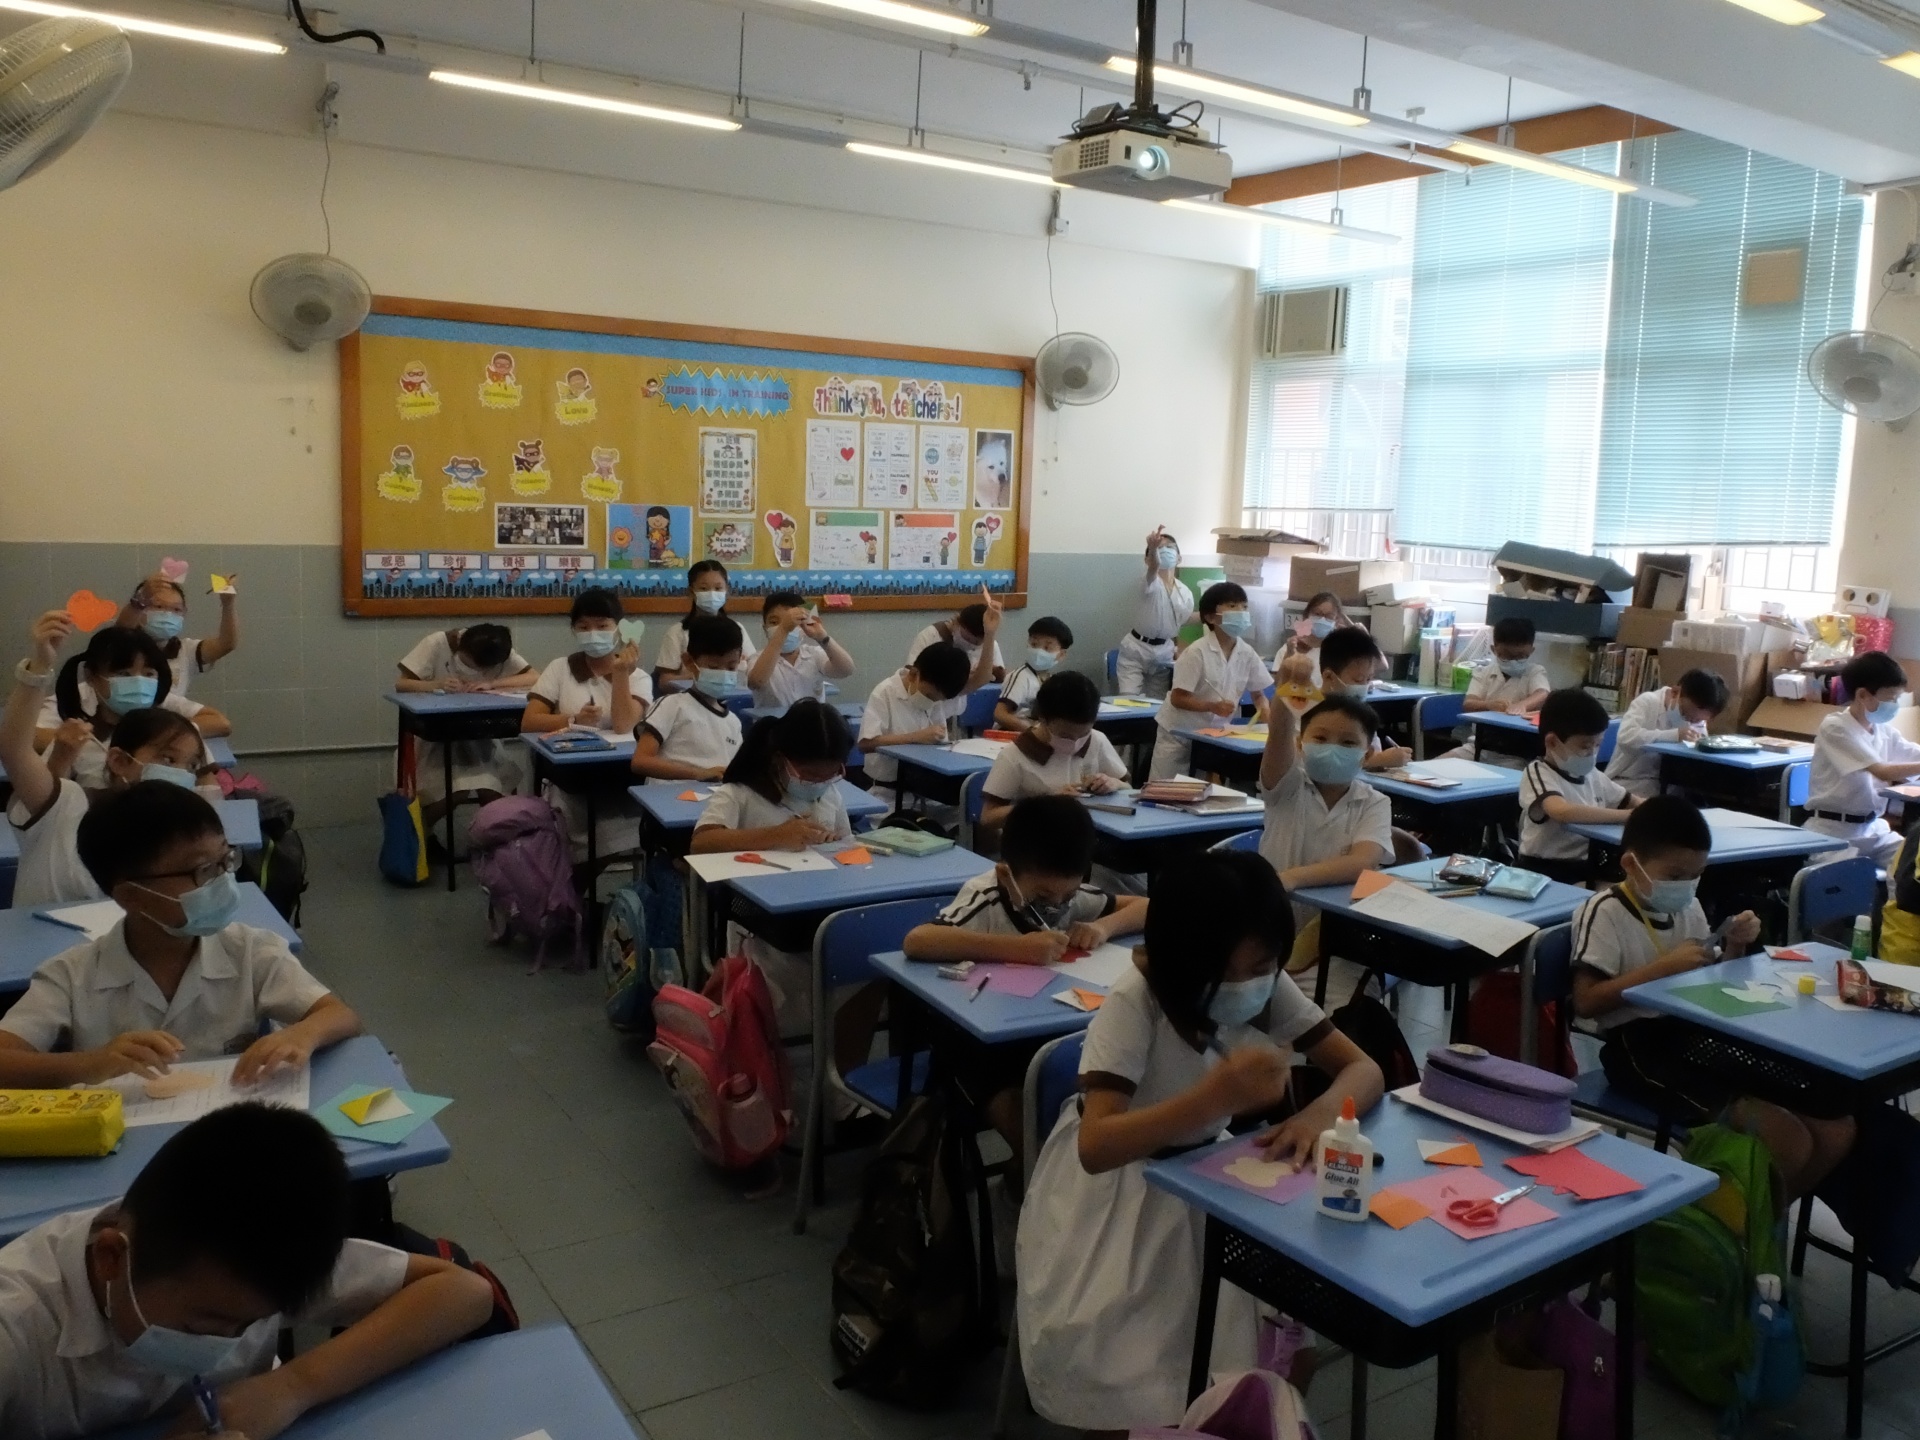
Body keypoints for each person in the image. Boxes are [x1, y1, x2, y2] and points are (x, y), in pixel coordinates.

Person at [1015, 850, 1384, 1433]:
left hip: (1209, 1180)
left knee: (1277, 1348)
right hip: (1120, 1196)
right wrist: (1213, 1099)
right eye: (1242, 968)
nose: (1257, 981)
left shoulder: (1261, 982)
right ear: (1189, 960)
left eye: (1267, 964)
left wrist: (1316, 1117)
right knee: (1136, 1372)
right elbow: (1096, 1145)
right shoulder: (1136, 1001)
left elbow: (1363, 1069)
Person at [0, 1104, 496, 1440]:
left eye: (252, 1324)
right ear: (111, 1258)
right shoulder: (16, 1324)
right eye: (202, 1324)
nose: (224, 1344)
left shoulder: (257, 1253)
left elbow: (463, 1291)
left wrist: (292, 1387)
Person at [1571, 795, 1853, 1200]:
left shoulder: (1688, 907)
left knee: (1836, 1129)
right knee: (1787, 1139)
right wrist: (1662, 969)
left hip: (1695, 1035)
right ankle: (1740, 1228)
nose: (1686, 885)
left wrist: (1735, 946)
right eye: (1675, 874)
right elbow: (1585, 1002)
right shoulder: (1603, 911)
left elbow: (1711, 983)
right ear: (1631, 863)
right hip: (1638, 1049)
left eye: (1696, 875)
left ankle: (1754, 1222)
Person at [0, 781, 360, 1087]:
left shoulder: (251, 950)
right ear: (131, 896)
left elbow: (340, 1014)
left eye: (225, 860)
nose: (222, 881)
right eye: (203, 871)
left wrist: (302, 1034)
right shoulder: (71, 975)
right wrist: (89, 1064)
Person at [903, 795, 1146, 1161]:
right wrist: (1017, 948)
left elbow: (1146, 907)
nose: (1057, 904)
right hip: (977, 1045)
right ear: (1006, 874)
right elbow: (917, 940)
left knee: (1092, 1077)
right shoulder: (985, 895)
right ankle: (1033, 1168)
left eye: (1069, 893)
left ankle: (1034, 1169)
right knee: (1020, 1115)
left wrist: (1102, 927)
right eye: (1043, 895)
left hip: (1041, 1031)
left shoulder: (1069, 895)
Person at [692, 702, 867, 1063]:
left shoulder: (830, 795)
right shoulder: (740, 794)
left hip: (819, 913)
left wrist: (838, 846)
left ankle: (842, 1080)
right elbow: (702, 842)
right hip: (761, 927)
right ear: (779, 760)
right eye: (810, 776)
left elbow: (847, 848)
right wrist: (776, 835)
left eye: (830, 775)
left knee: (868, 971)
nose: (819, 785)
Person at [3, 611, 215, 907]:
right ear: (118, 761)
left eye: (190, 766)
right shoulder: (68, 805)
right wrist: (40, 665)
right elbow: (14, 748)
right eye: (167, 760)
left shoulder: (169, 832)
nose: (181, 773)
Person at [1258, 695, 1393, 946]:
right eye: (1320, 738)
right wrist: (1287, 688)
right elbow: (1278, 732)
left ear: (1367, 755)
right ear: (1299, 744)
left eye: (1348, 742)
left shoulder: (1374, 802)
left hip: (1336, 930)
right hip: (1272, 925)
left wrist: (1291, 878)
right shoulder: (1287, 786)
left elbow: (1363, 862)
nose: (1332, 749)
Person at [40, 626, 229, 788]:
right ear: (91, 676)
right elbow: (48, 802)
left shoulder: (180, 731)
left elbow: (208, 790)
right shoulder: (76, 741)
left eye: (149, 674)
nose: (138, 682)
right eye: (123, 674)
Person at [394, 624, 537, 821]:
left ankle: (496, 836)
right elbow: (401, 684)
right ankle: (420, 835)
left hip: (479, 737)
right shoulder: (437, 643)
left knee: (493, 790)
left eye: (483, 669)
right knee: (455, 792)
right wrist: (435, 684)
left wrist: (492, 684)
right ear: (461, 644)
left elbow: (534, 677)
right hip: (435, 738)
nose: (474, 671)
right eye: (468, 663)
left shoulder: (496, 647)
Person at [1803, 650, 1920, 869]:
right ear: (1863, 695)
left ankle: (1895, 894)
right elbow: (1882, 771)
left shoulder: (1883, 730)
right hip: (1832, 832)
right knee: (1853, 877)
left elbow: (1913, 754)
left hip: (1873, 829)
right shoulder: (1836, 727)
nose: (1895, 704)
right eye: (1891, 698)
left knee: (1912, 864)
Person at [980, 671, 1129, 833]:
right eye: (1065, 735)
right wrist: (1046, 803)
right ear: (1042, 719)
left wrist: (1113, 784)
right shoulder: (1015, 755)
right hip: (1035, 842)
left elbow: (1128, 787)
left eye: (1084, 734)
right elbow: (988, 818)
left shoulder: (1097, 740)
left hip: (1088, 835)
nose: (1075, 742)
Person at [1150, 581, 1271, 781]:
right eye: (1232, 606)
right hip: (1179, 732)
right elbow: (1178, 698)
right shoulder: (1196, 652)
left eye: (1244, 606)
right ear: (1210, 617)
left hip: (1213, 735)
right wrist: (1212, 706)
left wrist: (1264, 708)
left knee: (1202, 790)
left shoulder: (1247, 652)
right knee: (1167, 787)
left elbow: (1258, 694)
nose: (1241, 611)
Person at [1519, 688, 1638, 882]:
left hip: (1587, 866)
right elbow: (1561, 811)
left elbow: (1633, 801)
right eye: (1585, 746)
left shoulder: (1593, 775)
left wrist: (1657, 811)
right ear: (1552, 742)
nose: (1593, 753)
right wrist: (1628, 816)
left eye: (1597, 745)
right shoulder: (1539, 773)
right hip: (1544, 871)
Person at [631, 614, 745, 784]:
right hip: (668, 798)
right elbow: (640, 762)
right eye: (714, 667)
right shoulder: (671, 706)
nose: (723, 673)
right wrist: (699, 773)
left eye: (731, 667)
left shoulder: (733, 722)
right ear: (689, 661)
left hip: (711, 798)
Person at [520, 588, 650, 736]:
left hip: (619, 751)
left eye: (602, 626)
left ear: (619, 629)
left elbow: (622, 726)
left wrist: (621, 673)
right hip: (568, 749)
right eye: (583, 627)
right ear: (574, 630)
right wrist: (575, 720)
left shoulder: (639, 677)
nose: (592, 633)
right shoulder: (560, 667)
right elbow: (528, 722)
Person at [857, 642, 973, 804]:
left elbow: (940, 746)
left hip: (926, 792)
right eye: (929, 696)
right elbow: (865, 744)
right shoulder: (885, 692)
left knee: (965, 804)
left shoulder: (937, 699)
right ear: (913, 675)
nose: (932, 702)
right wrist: (915, 737)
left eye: (938, 700)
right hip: (887, 794)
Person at [1605, 668, 1730, 799]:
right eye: (1684, 713)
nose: (1689, 721)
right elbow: (1626, 737)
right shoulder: (1648, 702)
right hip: (1628, 781)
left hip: (1668, 786)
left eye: (1696, 720)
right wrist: (1674, 735)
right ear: (1675, 692)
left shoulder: (1698, 718)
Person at [117, 571, 238, 699]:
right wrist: (140, 599)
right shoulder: (123, 647)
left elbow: (226, 643)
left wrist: (228, 604)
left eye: (176, 609)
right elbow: (119, 633)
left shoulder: (186, 651)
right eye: (158, 606)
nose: (167, 614)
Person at [1314, 627, 1412, 771]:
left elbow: (1373, 750)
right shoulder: (1307, 710)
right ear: (1329, 677)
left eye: (1368, 679)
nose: (1364, 686)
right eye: (1358, 680)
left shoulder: (1361, 711)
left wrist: (1385, 758)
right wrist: (1378, 760)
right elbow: (1315, 761)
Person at [1115, 527, 1194, 699]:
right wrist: (1152, 548)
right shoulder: (1148, 582)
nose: (1164, 551)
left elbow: (1181, 619)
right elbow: (1153, 568)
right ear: (1147, 559)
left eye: (1170, 547)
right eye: (1159, 548)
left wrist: (1216, 616)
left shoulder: (1185, 592)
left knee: (1157, 703)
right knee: (1129, 700)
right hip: (1137, 649)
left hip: (1164, 651)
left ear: (1179, 558)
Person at [652, 560, 756, 690]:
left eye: (718, 588)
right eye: (704, 588)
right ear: (691, 591)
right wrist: (700, 676)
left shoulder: (737, 629)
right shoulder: (677, 632)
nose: (712, 593)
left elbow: (753, 668)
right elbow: (664, 681)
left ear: (726, 590)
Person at [744, 591, 854, 709]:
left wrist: (823, 638)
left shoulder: (814, 654)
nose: (785, 627)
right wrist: (782, 630)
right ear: (765, 628)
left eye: (792, 623)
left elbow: (846, 670)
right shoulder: (757, 658)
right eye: (774, 622)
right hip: (774, 721)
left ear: (803, 627)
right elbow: (756, 682)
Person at [905, 588, 1006, 691]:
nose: (969, 644)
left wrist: (990, 670)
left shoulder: (989, 643)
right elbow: (911, 674)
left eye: (975, 643)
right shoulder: (932, 636)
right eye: (967, 638)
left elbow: (996, 677)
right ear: (957, 622)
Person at [994, 616, 1074, 732]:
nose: (1039, 651)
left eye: (1047, 647)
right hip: (1011, 733)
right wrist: (1035, 731)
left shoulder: (1051, 680)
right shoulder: (1020, 676)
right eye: (1034, 644)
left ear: (1061, 655)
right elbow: (1000, 714)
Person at [1270, 590, 1354, 695]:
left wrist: (1353, 632)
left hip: (1330, 703)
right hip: (1298, 702)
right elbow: (1278, 684)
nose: (1322, 619)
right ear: (1307, 616)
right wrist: (1289, 654)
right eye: (1317, 614)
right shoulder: (1291, 647)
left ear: (1337, 620)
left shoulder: (1340, 651)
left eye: (1329, 616)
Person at [1463, 617, 1550, 715]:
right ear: (1494, 650)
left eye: (1520, 656)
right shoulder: (1483, 672)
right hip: (1486, 724)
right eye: (1507, 655)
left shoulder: (1535, 671)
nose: (1513, 661)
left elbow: (1542, 693)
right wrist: (1488, 705)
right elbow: (1468, 703)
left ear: (1531, 651)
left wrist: (1522, 705)